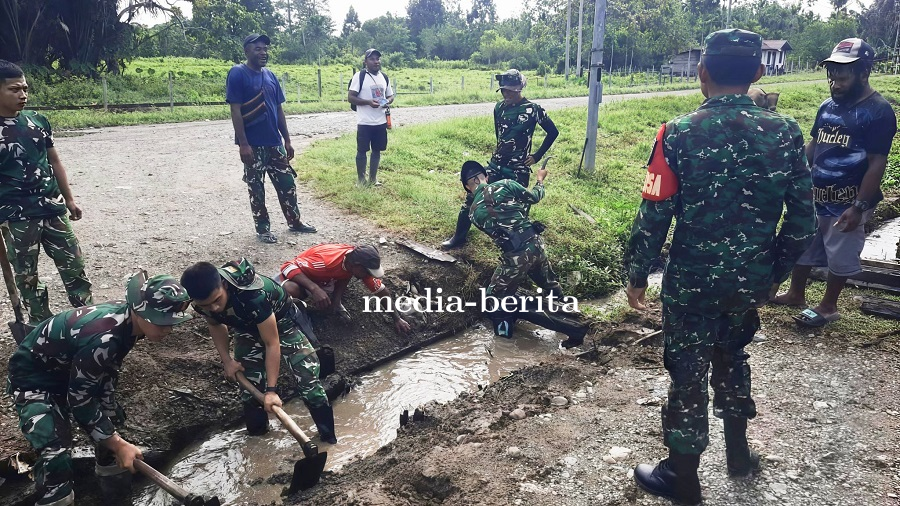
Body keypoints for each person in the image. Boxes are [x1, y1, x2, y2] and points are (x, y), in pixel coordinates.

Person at [623, 29, 816, 505]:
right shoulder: (787, 133)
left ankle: (682, 477)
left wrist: (637, 273)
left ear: (702, 72)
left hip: (691, 282)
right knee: (734, 354)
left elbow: (654, 213)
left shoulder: (677, 133)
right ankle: (737, 452)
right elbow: (803, 220)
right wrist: (773, 274)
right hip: (749, 281)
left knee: (687, 371)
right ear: (758, 71)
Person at [6, 271, 193, 506]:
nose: (168, 330)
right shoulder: (105, 337)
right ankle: (58, 497)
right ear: (140, 311)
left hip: (71, 369)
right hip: (35, 379)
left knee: (111, 417)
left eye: (172, 323)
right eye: (162, 322)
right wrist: (117, 443)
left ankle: (115, 491)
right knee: (56, 452)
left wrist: (110, 428)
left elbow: (104, 369)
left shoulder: (129, 320)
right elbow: (80, 400)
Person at [772, 38, 897, 327]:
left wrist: (859, 206)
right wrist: (792, 173)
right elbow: (815, 145)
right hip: (817, 194)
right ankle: (795, 294)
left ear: (863, 73)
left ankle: (828, 306)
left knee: (840, 253)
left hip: (848, 198)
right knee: (805, 244)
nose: (835, 84)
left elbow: (878, 162)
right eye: (832, 77)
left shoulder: (878, 111)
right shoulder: (828, 105)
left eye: (842, 77)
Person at [180, 258, 336, 443]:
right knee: (250, 387)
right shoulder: (199, 302)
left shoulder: (253, 296)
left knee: (308, 381)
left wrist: (271, 391)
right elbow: (215, 324)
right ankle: (257, 439)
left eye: (217, 300)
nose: (213, 308)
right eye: (205, 305)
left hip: (282, 322)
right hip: (246, 327)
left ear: (224, 285)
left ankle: (328, 440)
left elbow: (272, 342)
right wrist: (227, 361)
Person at [0, 59, 92, 323]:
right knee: (27, 277)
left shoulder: (37, 121)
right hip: (15, 216)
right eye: (15, 90)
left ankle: (87, 320)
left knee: (74, 268)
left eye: (25, 89)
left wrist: (70, 199)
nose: (23, 95)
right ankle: (40, 328)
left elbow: (55, 161)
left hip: (52, 208)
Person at [462, 161, 587, 348]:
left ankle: (504, 342)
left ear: (467, 187)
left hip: (515, 258)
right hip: (536, 245)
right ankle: (574, 316)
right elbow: (535, 197)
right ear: (486, 176)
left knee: (494, 296)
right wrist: (540, 179)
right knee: (549, 284)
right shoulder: (506, 184)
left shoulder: (473, 214)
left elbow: (498, 232)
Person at [441, 69, 559, 249]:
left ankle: (519, 246)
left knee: (518, 208)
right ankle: (459, 236)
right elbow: (500, 136)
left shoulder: (533, 110)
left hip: (518, 168)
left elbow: (553, 132)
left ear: (519, 89)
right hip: (496, 165)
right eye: (504, 90)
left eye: (510, 91)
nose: (506, 94)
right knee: (472, 199)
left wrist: (536, 156)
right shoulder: (499, 108)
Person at [226, 34, 317, 244]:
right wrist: (243, 144)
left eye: (265, 48)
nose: (263, 52)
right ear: (247, 51)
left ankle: (295, 222)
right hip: (253, 146)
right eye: (257, 48)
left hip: (275, 144)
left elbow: (278, 109)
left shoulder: (270, 76)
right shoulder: (238, 73)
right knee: (256, 189)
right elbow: (235, 110)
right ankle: (263, 229)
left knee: (287, 184)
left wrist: (287, 140)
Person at [276, 243, 411, 334]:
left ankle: (336, 302)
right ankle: (290, 320)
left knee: (341, 281)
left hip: (328, 279)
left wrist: (397, 318)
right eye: (367, 272)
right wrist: (315, 289)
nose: (368, 276)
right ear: (357, 266)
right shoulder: (324, 262)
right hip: (305, 277)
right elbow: (287, 266)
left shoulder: (355, 262)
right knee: (290, 289)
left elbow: (382, 292)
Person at [347, 48, 393, 187]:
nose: (376, 61)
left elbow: (390, 95)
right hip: (365, 122)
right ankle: (361, 180)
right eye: (372, 59)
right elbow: (351, 97)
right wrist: (367, 102)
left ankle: (373, 179)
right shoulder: (359, 76)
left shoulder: (384, 77)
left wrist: (387, 101)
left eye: (377, 59)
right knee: (362, 151)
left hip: (380, 121)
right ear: (365, 62)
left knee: (377, 150)